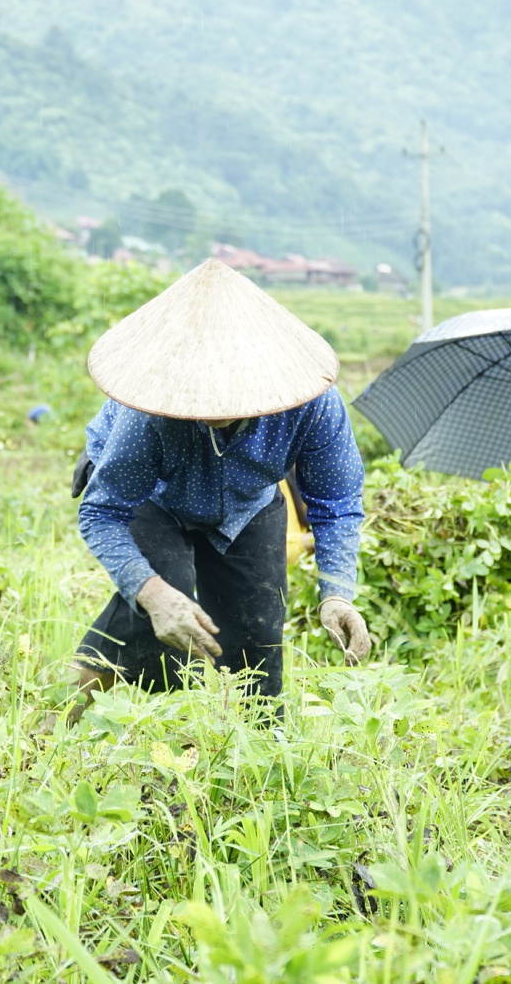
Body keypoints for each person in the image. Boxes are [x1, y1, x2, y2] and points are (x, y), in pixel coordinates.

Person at [67, 258, 372, 718]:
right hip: (154, 495)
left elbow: (338, 503)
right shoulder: (146, 412)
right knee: (162, 617)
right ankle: (55, 723)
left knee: (257, 654)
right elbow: (102, 513)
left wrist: (336, 592)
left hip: (248, 505)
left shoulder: (312, 404)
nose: (213, 405)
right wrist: (153, 594)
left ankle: (251, 756)